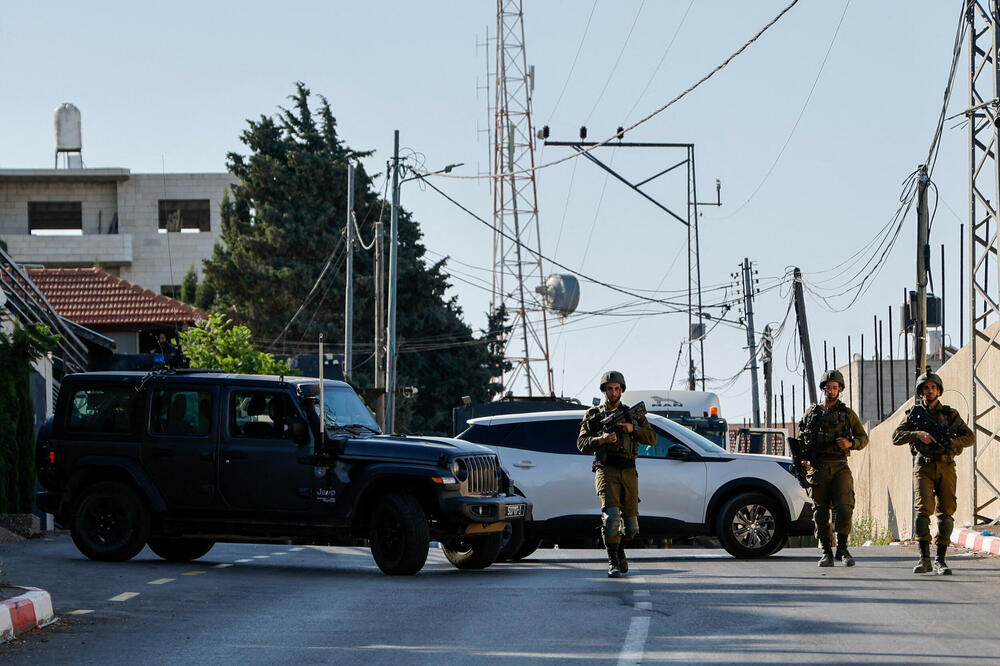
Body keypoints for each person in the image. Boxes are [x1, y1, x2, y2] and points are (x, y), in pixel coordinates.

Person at [891, 371, 974, 575]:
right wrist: (917, 434)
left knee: (946, 512)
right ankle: (924, 558)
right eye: (926, 388)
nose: (930, 391)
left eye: (933, 387)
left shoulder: (950, 414)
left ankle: (941, 559)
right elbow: (896, 437)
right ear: (921, 392)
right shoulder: (914, 414)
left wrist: (951, 442)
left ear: (939, 390)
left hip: (946, 465)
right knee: (922, 512)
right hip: (924, 466)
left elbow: (969, 437)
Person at [577, 370, 656, 578]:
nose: (613, 392)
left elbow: (652, 438)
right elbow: (581, 443)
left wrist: (633, 429)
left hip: (629, 471)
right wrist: (601, 440)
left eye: (617, 388)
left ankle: (619, 548)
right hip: (607, 469)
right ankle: (612, 560)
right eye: (610, 389)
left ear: (621, 390)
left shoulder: (632, 414)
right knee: (611, 518)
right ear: (604, 391)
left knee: (631, 527)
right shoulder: (594, 416)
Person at [798, 369, 868, 567]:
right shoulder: (811, 414)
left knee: (845, 508)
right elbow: (802, 439)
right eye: (828, 387)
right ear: (823, 389)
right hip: (818, 468)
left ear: (840, 389)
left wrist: (850, 444)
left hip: (839, 466)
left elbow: (863, 438)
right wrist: (802, 459)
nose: (831, 390)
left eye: (835, 387)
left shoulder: (847, 414)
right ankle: (826, 551)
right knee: (820, 513)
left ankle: (843, 549)